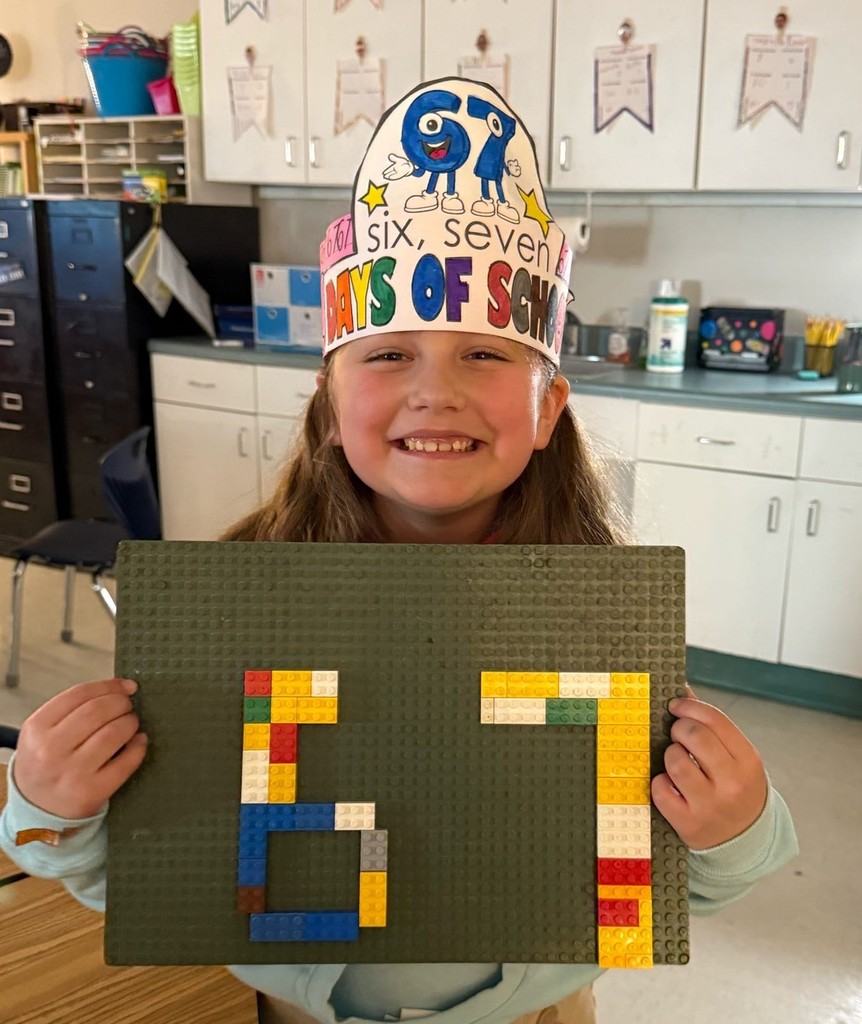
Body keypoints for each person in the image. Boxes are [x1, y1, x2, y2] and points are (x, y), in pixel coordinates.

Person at [0, 79, 797, 1024]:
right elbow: (161, 873)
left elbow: (675, 878)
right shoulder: (246, 600)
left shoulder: (594, 614)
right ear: (332, 404)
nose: (435, 391)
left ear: (548, 409)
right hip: (299, 1007)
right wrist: (49, 807)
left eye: (485, 355)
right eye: (387, 355)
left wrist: (736, 825)